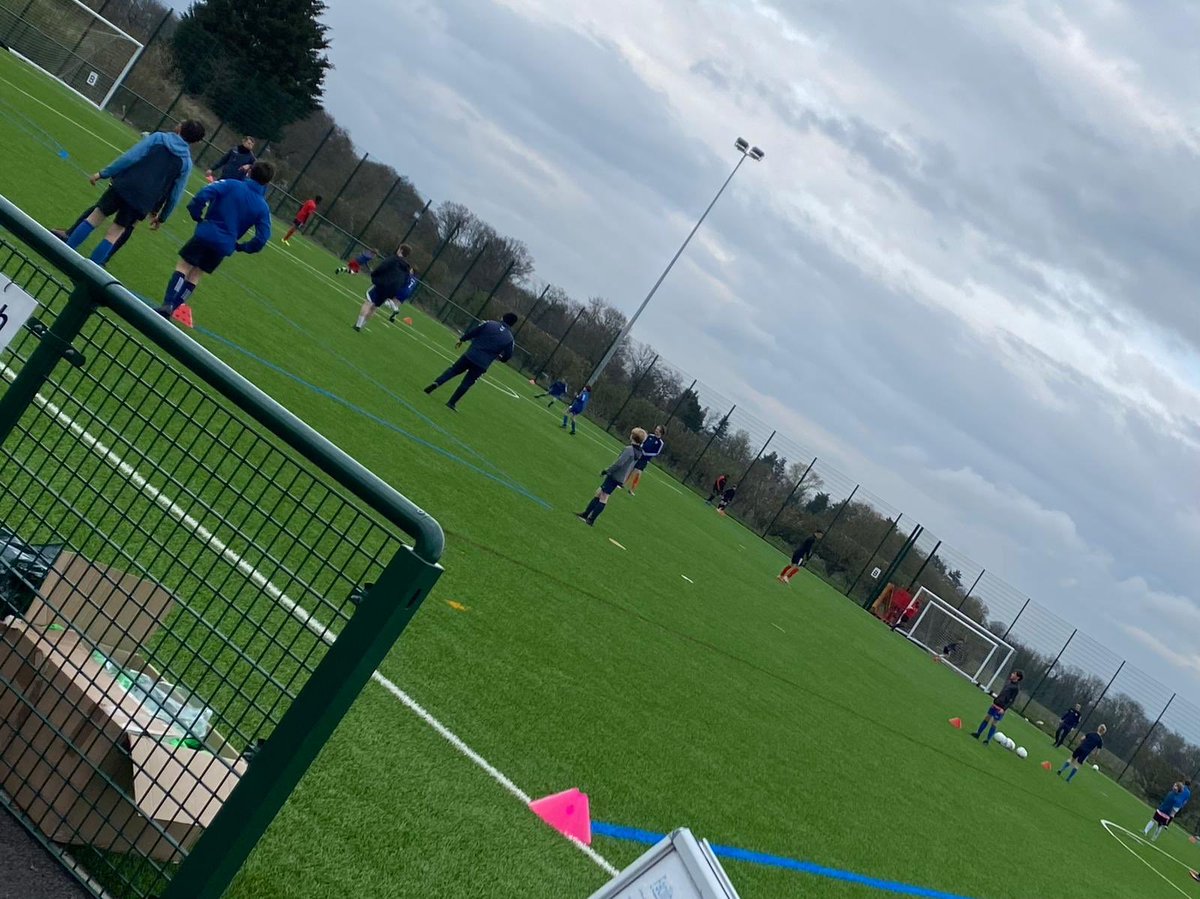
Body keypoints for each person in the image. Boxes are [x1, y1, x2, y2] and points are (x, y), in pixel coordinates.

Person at [65, 120, 206, 265]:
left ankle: (66, 252)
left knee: (94, 218)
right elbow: (175, 195)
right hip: (143, 201)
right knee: (114, 234)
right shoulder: (186, 163)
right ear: (194, 142)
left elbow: (130, 157)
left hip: (124, 185)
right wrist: (163, 217)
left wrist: (104, 173)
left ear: (180, 128)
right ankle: (89, 271)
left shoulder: (158, 138)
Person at [156, 161, 274, 319]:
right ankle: (172, 309)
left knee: (184, 267)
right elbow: (262, 238)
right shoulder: (262, 207)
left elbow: (203, 194)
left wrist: (196, 214)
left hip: (207, 233)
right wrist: (243, 247)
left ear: (250, 172)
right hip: (224, 245)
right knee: (196, 275)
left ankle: (168, 303)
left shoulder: (231, 184)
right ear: (267, 182)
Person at [424, 312, 518, 410]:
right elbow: (508, 356)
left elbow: (473, 332)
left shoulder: (490, 324)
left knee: (453, 370)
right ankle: (451, 403)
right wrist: (500, 358)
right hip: (482, 364)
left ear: (503, 318)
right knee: (467, 382)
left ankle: (437, 383)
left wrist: (462, 339)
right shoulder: (510, 339)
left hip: (470, 355)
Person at [576, 428, 646, 527]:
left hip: (615, 476)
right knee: (599, 493)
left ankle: (590, 520)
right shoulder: (639, 452)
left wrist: (607, 471)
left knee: (604, 497)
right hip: (621, 477)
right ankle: (586, 514)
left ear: (633, 437)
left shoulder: (629, 449)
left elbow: (619, 463)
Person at [353, 246, 413, 331]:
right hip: (391, 291)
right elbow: (406, 281)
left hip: (382, 285)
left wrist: (374, 276)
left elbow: (382, 267)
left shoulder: (393, 259)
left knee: (368, 303)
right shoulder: (407, 267)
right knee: (374, 307)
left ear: (400, 250)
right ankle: (362, 325)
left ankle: (358, 325)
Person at [971, 669, 1024, 744]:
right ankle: (978, 733)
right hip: (995, 704)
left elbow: (1011, 701)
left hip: (1001, 708)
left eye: (1014, 674)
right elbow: (1002, 694)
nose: (1012, 674)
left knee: (994, 723)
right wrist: (994, 701)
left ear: (1018, 677)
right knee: (987, 718)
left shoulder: (1016, 688)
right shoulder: (1009, 683)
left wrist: (1004, 709)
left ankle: (987, 740)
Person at [626, 425, 665, 495]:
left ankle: (632, 490)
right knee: (630, 469)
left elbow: (656, 453)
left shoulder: (660, 443)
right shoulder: (650, 436)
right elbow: (643, 442)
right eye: (656, 429)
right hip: (639, 455)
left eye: (658, 430)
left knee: (638, 473)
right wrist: (641, 448)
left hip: (645, 459)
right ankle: (622, 483)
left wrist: (646, 453)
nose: (656, 430)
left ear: (661, 432)